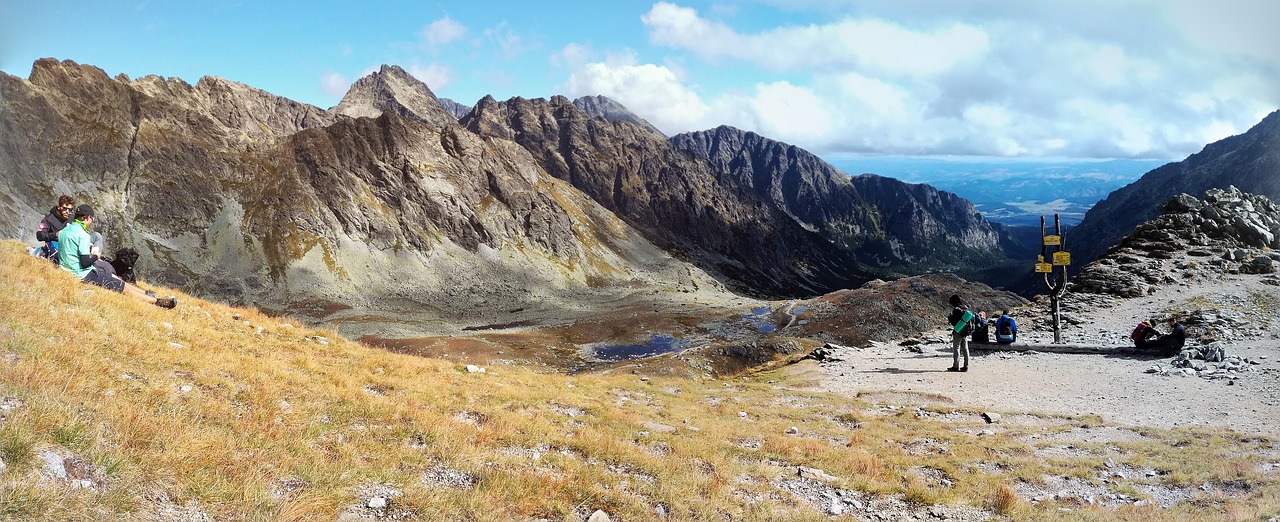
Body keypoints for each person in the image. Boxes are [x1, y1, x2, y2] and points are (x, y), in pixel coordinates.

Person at [57, 204, 176, 309]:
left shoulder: (65, 231)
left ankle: (146, 294)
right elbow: (84, 262)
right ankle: (158, 302)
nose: (91, 221)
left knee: (116, 278)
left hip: (67, 269)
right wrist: (95, 256)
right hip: (82, 274)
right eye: (91, 219)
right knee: (124, 287)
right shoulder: (82, 235)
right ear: (87, 218)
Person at [34, 195, 75, 260]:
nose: (67, 211)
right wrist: (55, 234)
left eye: (70, 209)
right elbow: (39, 235)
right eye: (65, 208)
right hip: (54, 246)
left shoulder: (72, 219)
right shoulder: (48, 219)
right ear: (59, 207)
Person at [946, 294, 971, 372]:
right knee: (965, 348)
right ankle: (966, 366)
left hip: (958, 331)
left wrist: (950, 317)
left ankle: (955, 366)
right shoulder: (965, 308)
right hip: (965, 332)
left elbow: (955, 323)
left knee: (956, 348)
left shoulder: (956, 309)